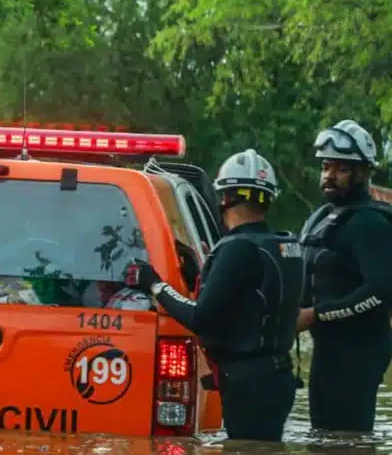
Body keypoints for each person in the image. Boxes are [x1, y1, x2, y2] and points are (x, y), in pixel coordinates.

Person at [126, 148, 304, 442]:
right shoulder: (287, 246)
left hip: (248, 384)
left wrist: (155, 284)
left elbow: (200, 317)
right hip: (278, 376)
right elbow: (252, 300)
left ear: (224, 198)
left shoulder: (237, 249)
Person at [297, 120, 392, 434]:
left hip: (359, 350)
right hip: (329, 346)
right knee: (323, 436)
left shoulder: (371, 224)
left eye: (340, 169)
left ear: (362, 173)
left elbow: (381, 291)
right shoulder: (325, 216)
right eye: (326, 166)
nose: (329, 176)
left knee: (347, 438)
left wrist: (316, 315)